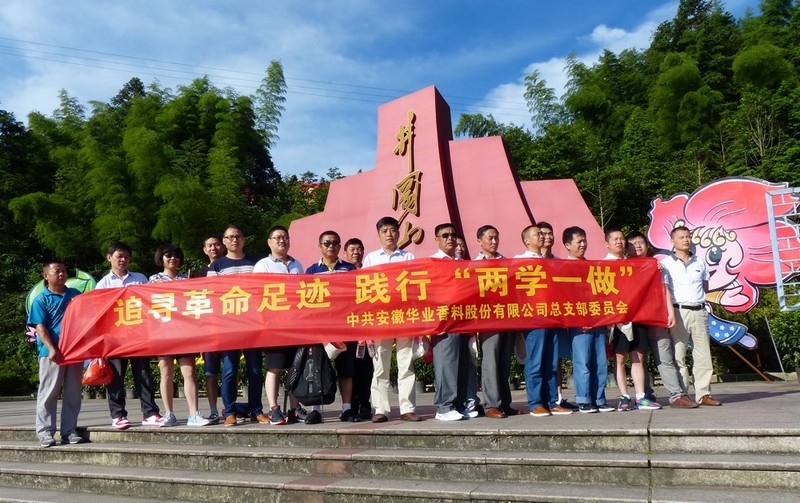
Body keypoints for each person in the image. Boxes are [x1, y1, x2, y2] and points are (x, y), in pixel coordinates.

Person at [627, 231, 697, 408]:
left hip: (656, 318)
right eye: (633, 243)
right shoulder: (623, 267)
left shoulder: (657, 266)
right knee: (639, 359)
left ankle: (677, 395)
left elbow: (665, 290)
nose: (638, 246)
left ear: (647, 245)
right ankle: (646, 395)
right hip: (635, 320)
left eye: (641, 242)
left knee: (665, 357)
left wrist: (670, 313)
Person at [97, 242, 163, 429]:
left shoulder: (140, 278)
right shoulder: (103, 284)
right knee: (116, 376)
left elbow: (150, 304)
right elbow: (99, 313)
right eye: (119, 256)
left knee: (143, 374)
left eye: (126, 256)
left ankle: (150, 413)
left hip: (139, 335)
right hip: (115, 337)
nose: (123, 260)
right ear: (109, 258)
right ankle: (118, 415)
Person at [363, 216, 421, 422]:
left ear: (398, 233)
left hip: (404, 316)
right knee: (380, 366)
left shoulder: (408, 257)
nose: (389, 234)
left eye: (393, 230)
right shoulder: (371, 259)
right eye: (385, 231)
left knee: (406, 363)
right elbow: (364, 289)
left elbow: (415, 287)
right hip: (380, 318)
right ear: (378, 234)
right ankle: (381, 409)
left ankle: (407, 408)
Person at [207, 225, 266, 426]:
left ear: (244, 239)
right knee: (229, 370)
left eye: (238, 236)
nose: (234, 240)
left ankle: (256, 410)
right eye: (230, 237)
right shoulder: (217, 266)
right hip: (228, 326)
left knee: (255, 370)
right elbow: (212, 296)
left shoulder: (256, 263)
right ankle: (230, 411)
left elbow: (263, 290)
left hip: (252, 325)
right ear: (224, 241)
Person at [660, 226, 722, 407]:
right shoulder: (665, 264)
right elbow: (665, 290)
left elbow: (705, 286)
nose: (686, 240)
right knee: (678, 355)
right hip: (678, 312)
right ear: (672, 241)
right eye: (681, 237)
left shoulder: (699, 261)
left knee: (703, 354)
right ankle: (682, 394)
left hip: (699, 311)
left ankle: (704, 394)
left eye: (688, 236)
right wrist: (670, 312)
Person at [149, 244, 210, 427]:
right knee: (166, 372)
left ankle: (194, 413)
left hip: (185, 332)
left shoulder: (187, 278)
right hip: (163, 332)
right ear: (161, 258)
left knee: (189, 372)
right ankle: (169, 413)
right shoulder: (153, 280)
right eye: (168, 255)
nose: (172, 258)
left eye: (176, 256)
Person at [514, 225, 571, 417]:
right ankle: (536, 403)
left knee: (552, 362)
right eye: (537, 234)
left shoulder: (551, 262)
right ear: (526, 240)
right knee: (536, 362)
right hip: (533, 319)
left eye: (543, 233)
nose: (542, 236)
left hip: (552, 317)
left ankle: (552, 401)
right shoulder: (519, 261)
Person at [254, 226, 307, 424]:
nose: (282, 240)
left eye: (285, 237)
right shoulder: (263, 265)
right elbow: (258, 294)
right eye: (277, 238)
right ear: (269, 242)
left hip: (295, 325)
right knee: (274, 368)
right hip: (274, 326)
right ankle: (274, 409)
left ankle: (294, 408)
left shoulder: (297, 264)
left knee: (295, 367)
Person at [603, 230, 661, 412]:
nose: (619, 241)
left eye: (621, 239)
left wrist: (655, 269)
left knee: (638, 356)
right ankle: (624, 397)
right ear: (607, 243)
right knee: (620, 358)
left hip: (637, 316)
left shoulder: (635, 264)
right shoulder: (601, 265)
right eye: (615, 239)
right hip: (617, 319)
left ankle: (641, 397)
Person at [29, 261, 84, 446]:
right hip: (51, 352)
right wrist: (51, 348)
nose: (62, 274)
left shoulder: (75, 295)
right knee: (49, 392)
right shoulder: (41, 299)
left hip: (74, 351)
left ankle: (69, 431)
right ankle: (45, 432)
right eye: (57, 271)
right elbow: (40, 327)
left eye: (64, 271)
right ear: (46, 276)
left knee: (73, 393)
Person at [306, 231, 359, 422]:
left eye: (335, 243)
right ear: (319, 246)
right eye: (327, 243)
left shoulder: (350, 269)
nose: (331, 246)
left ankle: (347, 408)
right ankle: (316, 409)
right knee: (317, 370)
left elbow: (356, 296)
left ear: (339, 247)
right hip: (320, 329)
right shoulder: (311, 271)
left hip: (345, 327)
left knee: (346, 370)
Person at [562, 227, 613, 413]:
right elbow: (564, 297)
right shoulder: (562, 268)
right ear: (568, 245)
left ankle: (599, 399)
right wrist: (576, 320)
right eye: (579, 241)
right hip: (579, 324)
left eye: (584, 241)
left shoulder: (593, 266)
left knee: (600, 362)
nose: (583, 244)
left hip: (597, 320)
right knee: (582, 362)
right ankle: (584, 399)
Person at [474, 225, 519, 419]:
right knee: (490, 361)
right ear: (480, 241)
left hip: (507, 317)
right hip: (488, 320)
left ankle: (505, 403)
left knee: (504, 362)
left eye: (496, 238)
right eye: (490, 238)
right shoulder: (473, 265)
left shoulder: (507, 263)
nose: (494, 241)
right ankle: (492, 404)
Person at [430, 223, 473, 421]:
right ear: (437, 239)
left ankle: (459, 404)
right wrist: (434, 322)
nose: (450, 238)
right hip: (443, 322)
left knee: (462, 364)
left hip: (463, 320)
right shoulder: (432, 263)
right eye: (445, 235)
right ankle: (444, 407)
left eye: (453, 235)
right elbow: (427, 295)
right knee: (446, 364)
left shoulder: (463, 264)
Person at [193, 233, 225, 423]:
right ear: (205, 250)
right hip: (208, 330)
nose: (213, 248)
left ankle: (229, 409)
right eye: (209, 245)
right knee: (211, 372)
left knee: (230, 371)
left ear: (222, 246)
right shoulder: (197, 274)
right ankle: (213, 410)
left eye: (216, 244)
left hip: (230, 328)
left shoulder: (229, 269)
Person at [343, 237, 374, 420]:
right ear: (345, 253)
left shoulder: (369, 272)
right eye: (352, 249)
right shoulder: (342, 273)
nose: (356, 252)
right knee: (350, 368)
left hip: (367, 327)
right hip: (348, 329)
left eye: (359, 249)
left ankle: (365, 403)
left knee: (366, 369)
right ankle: (351, 405)